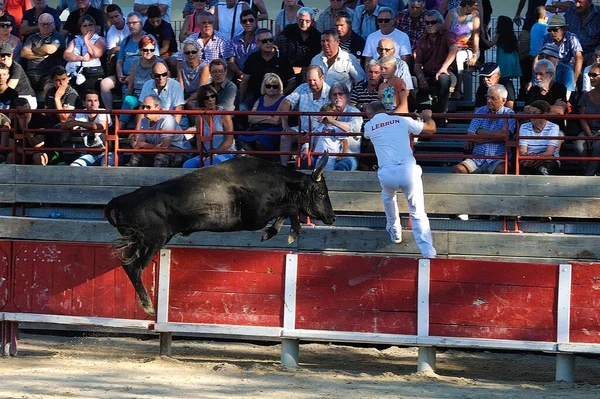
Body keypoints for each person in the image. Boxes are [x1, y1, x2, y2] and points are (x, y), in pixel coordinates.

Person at [364, 100, 437, 258]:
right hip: (408, 170)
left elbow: (370, 138)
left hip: (387, 172)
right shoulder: (402, 120)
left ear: (370, 114)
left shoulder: (369, 126)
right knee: (417, 212)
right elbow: (431, 129)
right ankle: (428, 252)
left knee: (388, 197)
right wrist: (427, 116)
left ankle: (395, 229)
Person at [100, 12, 159, 111]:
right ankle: (109, 115)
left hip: (142, 76)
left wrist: (131, 77)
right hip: (124, 77)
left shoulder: (149, 39)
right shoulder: (125, 41)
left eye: (134, 23)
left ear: (141, 23)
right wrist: (119, 75)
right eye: (129, 23)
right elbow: (120, 60)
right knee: (104, 83)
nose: (131, 25)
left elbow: (155, 59)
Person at [452, 84, 516, 175]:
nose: (489, 101)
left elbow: (504, 136)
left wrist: (480, 133)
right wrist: (497, 134)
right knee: (458, 170)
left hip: (499, 159)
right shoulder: (479, 111)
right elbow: (470, 136)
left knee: (501, 170)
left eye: (493, 98)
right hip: (477, 159)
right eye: (488, 97)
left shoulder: (509, 113)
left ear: (503, 101)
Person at [278, 65, 331, 166]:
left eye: (314, 80)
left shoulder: (329, 93)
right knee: (285, 135)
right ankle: (283, 167)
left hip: (318, 132)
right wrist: (285, 125)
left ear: (322, 78)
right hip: (301, 129)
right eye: (309, 80)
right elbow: (286, 102)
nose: (312, 83)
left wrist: (313, 133)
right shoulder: (303, 88)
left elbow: (329, 119)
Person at [414, 9, 458, 118]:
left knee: (443, 78)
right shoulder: (422, 40)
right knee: (413, 81)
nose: (430, 25)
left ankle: (441, 115)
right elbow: (417, 64)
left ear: (440, 23)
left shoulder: (447, 35)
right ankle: (421, 112)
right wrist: (420, 77)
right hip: (428, 73)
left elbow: (454, 48)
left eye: (433, 22)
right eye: (427, 23)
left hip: (446, 73)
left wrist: (443, 68)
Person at [240, 27, 295, 111]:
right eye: (264, 41)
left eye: (270, 40)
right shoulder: (252, 58)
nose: (268, 43)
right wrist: (240, 101)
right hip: (258, 99)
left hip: (279, 99)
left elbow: (292, 82)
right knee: (242, 108)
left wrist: (281, 95)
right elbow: (244, 82)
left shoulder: (282, 58)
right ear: (257, 43)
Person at [128, 94, 191, 168]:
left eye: (148, 107)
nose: (144, 110)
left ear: (158, 108)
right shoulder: (143, 121)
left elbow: (164, 146)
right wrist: (154, 147)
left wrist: (144, 145)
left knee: (160, 159)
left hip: (180, 152)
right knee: (136, 158)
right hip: (157, 152)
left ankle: (159, 179)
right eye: (143, 107)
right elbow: (139, 145)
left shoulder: (167, 119)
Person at [175, 12, 234, 88]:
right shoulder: (191, 39)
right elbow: (180, 59)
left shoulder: (223, 40)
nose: (207, 25)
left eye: (210, 22)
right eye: (204, 23)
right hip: (193, 75)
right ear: (199, 25)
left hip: (214, 76)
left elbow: (229, 63)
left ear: (213, 24)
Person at [183, 84, 235, 168]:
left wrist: (215, 153)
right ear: (201, 100)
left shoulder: (224, 114)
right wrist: (202, 154)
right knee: (187, 165)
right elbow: (199, 140)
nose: (210, 99)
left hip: (226, 152)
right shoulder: (199, 117)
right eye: (206, 98)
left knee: (208, 164)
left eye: (212, 96)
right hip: (207, 153)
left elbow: (229, 140)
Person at [237, 72, 285, 154]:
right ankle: (255, 159)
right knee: (240, 138)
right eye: (268, 86)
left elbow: (276, 121)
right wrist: (268, 117)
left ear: (279, 87)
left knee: (260, 139)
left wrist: (259, 118)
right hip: (258, 127)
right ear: (264, 87)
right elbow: (250, 118)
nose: (271, 89)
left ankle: (269, 159)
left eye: (275, 86)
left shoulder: (283, 100)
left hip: (274, 129)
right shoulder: (260, 99)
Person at [20, 13, 66, 96]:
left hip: (48, 74)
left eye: (49, 24)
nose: (46, 27)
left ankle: (48, 108)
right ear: (38, 25)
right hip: (30, 73)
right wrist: (40, 55)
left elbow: (50, 49)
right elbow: (23, 53)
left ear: (54, 24)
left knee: (49, 88)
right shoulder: (32, 37)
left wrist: (33, 49)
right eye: (43, 24)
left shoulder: (58, 37)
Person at [66, 89, 114, 167]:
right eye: (89, 101)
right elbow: (68, 126)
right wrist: (70, 120)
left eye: (95, 100)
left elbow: (99, 126)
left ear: (99, 102)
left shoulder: (103, 112)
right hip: (89, 153)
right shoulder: (81, 113)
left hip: (108, 152)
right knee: (73, 167)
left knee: (106, 168)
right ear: (84, 103)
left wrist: (76, 122)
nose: (93, 104)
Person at [120, 35, 160, 127]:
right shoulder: (135, 62)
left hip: (153, 98)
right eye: (145, 50)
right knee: (127, 100)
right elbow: (131, 84)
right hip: (137, 96)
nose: (149, 52)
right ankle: (119, 128)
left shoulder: (159, 63)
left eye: (152, 50)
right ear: (140, 50)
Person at [444, 0, 480, 99]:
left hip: (468, 48)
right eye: (475, 5)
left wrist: (475, 55)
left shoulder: (475, 15)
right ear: (467, 5)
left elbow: (476, 36)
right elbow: (445, 33)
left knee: (459, 57)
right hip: (452, 47)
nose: (476, 8)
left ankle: (458, 88)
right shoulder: (452, 13)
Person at [274, 7, 321, 83]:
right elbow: (277, 46)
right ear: (297, 19)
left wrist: (301, 70)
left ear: (312, 22)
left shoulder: (317, 37)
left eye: (307, 21)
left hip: (308, 74)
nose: (303, 24)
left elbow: (318, 60)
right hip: (287, 72)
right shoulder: (289, 31)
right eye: (301, 20)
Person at [63, 14, 106, 96]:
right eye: (85, 26)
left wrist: (86, 40)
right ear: (80, 28)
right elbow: (66, 55)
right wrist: (81, 58)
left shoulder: (100, 40)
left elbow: (96, 54)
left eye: (90, 25)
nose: (88, 27)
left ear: (94, 26)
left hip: (90, 74)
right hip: (73, 72)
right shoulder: (75, 40)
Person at [301, 102, 349, 171]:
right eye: (322, 115)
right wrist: (308, 149)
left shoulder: (337, 128)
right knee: (316, 170)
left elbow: (344, 141)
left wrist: (343, 155)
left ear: (334, 116)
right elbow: (312, 137)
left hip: (330, 155)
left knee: (328, 171)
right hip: (317, 154)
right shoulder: (319, 127)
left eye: (327, 116)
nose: (324, 117)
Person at [536, 14, 583, 83]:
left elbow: (579, 58)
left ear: (563, 29)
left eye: (555, 29)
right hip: (550, 72)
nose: (552, 32)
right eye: (550, 30)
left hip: (569, 72)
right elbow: (538, 58)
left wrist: (574, 81)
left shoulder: (572, 38)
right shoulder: (546, 38)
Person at [137, 62, 185, 128]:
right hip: (152, 124)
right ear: (152, 76)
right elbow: (142, 110)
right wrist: (137, 131)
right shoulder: (147, 85)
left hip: (172, 125)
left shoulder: (175, 85)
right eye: (157, 75)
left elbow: (178, 111)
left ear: (168, 74)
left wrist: (172, 131)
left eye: (164, 74)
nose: (161, 77)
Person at [519, 99, 560, 175]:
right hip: (529, 159)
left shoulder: (553, 127)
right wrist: (528, 158)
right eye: (530, 113)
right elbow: (522, 150)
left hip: (547, 160)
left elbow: (549, 152)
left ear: (544, 115)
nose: (531, 116)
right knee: (523, 168)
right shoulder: (524, 127)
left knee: (542, 169)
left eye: (534, 113)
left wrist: (536, 157)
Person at [575, 62, 600, 176]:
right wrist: (590, 135)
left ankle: (590, 176)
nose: (591, 77)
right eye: (590, 74)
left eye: (594, 75)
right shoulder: (586, 96)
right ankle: (587, 173)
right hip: (588, 131)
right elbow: (583, 117)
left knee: (597, 147)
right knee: (579, 146)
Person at [482, 15, 522, 81]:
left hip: (503, 59)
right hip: (512, 58)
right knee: (508, 79)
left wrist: (482, 38)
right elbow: (518, 46)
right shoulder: (512, 36)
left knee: (503, 78)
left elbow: (490, 44)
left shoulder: (499, 35)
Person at [1, 42, 36, 108]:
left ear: (12, 55)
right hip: (8, 97)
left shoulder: (16, 67)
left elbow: (10, 88)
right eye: (2, 55)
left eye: (8, 55)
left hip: (25, 97)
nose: (6, 58)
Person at [229, 9, 259, 83]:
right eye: (244, 21)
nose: (248, 23)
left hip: (258, 76)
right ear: (241, 23)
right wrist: (240, 74)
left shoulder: (263, 37)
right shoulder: (235, 39)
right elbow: (231, 62)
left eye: (251, 20)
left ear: (256, 20)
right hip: (238, 75)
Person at [178, 39, 203, 108]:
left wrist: (186, 101)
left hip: (200, 97)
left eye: (193, 52)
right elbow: (181, 88)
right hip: (186, 96)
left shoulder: (204, 67)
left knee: (190, 105)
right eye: (187, 53)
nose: (191, 55)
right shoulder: (180, 66)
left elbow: (201, 90)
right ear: (184, 55)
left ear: (198, 52)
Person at [105, 4, 129, 76]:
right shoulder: (110, 32)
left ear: (122, 14)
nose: (115, 20)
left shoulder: (130, 23)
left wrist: (116, 48)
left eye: (116, 16)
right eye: (111, 17)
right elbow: (110, 51)